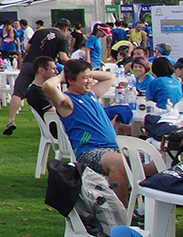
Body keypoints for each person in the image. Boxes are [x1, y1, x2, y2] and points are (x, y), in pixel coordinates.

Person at [33, 60, 132, 203]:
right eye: (85, 78)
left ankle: (143, 209)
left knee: (154, 160)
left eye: (90, 77)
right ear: (71, 80)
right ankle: (120, 215)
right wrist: (63, 76)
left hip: (114, 149)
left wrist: (87, 73)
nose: (90, 81)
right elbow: (48, 86)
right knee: (118, 162)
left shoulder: (91, 94)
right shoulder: (67, 102)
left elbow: (109, 77)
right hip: (90, 152)